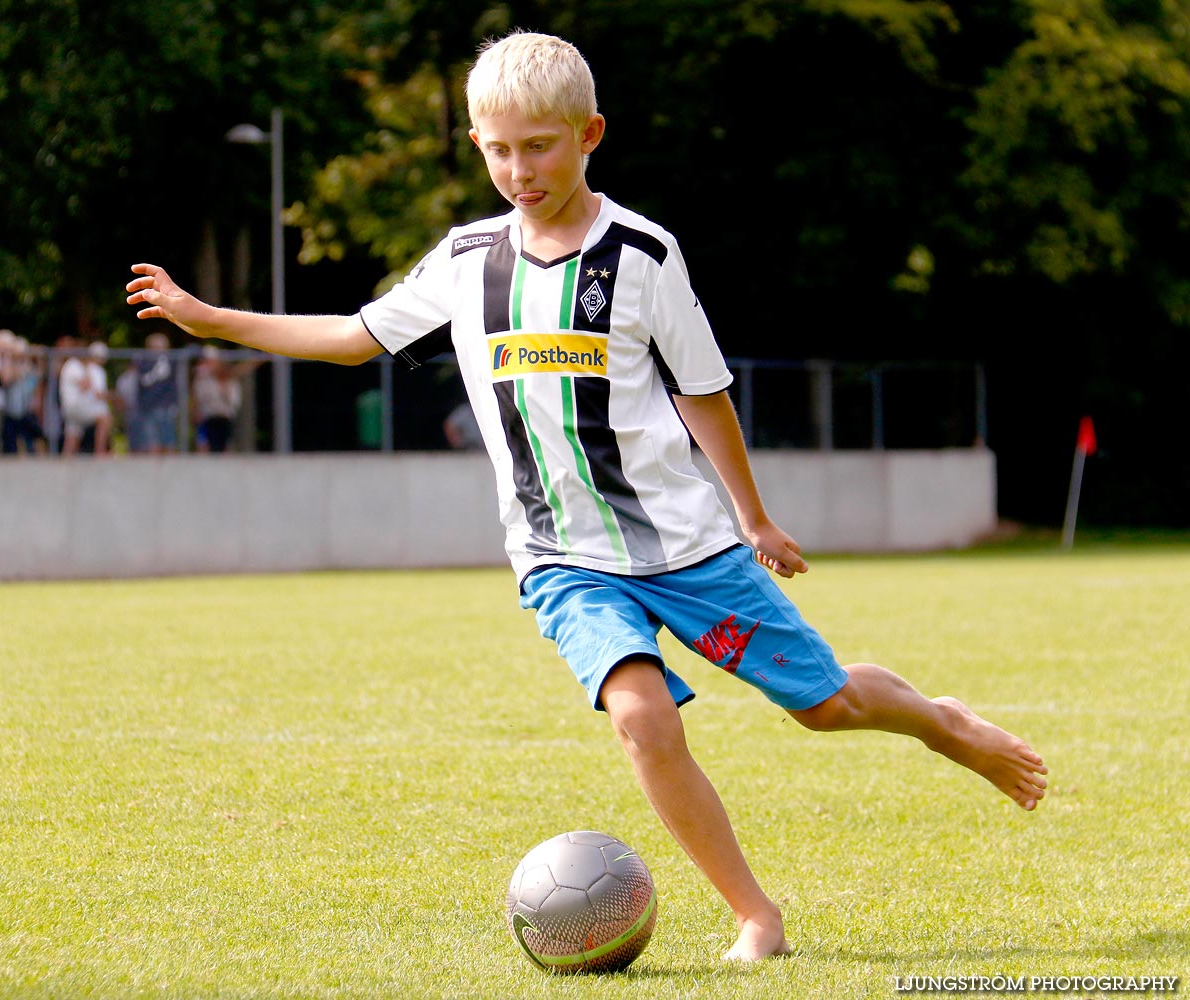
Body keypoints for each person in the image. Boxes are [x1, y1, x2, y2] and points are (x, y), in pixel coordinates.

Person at [127, 31, 1047, 962]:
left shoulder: (644, 253)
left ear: (589, 133)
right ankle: (755, 917)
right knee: (643, 717)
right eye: (497, 149)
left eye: (540, 146)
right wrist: (208, 319)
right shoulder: (467, 260)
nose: (518, 169)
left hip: (688, 551)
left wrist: (753, 517)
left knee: (824, 706)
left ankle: (943, 722)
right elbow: (353, 336)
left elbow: (702, 390)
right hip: (561, 559)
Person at [59, 340, 113, 456]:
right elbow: (86, 386)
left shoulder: (81, 366)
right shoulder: (73, 365)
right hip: (75, 407)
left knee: (72, 437)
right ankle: (100, 452)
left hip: (74, 408)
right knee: (105, 418)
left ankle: (64, 466)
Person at [131, 331, 179, 453]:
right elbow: (144, 381)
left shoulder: (171, 362)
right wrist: (155, 372)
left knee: (168, 441)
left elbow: (174, 386)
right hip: (148, 407)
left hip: (165, 407)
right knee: (152, 442)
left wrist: (174, 404)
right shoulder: (143, 362)